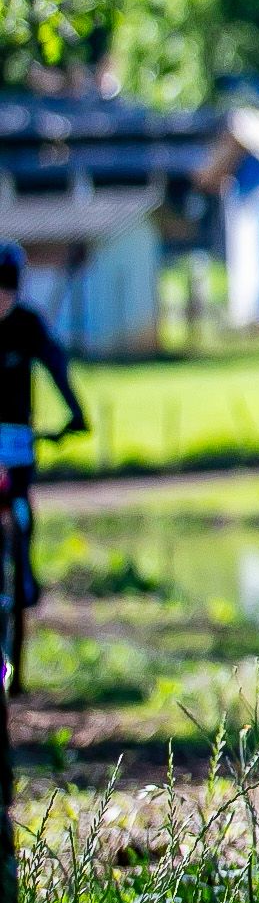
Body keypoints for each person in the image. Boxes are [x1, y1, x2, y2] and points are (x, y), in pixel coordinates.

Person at [0, 243, 90, 653]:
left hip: (18, 434)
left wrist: (76, 413)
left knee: (20, 500)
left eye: (7, 288)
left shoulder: (28, 324)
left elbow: (56, 366)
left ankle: (23, 571)